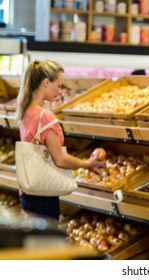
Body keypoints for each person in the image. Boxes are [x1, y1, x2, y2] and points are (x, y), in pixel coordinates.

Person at [15, 59, 106, 222]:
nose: (59, 90)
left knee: (34, 244)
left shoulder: (25, 111)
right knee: (46, 245)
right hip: (44, 194)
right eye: (59, 85)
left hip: (28, 192)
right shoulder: (45, 116)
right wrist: (87, 164)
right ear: (46, 82)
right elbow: (60, 160)